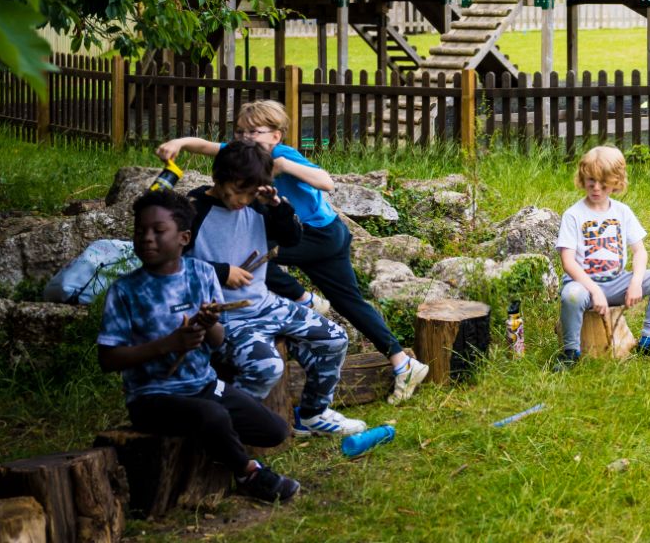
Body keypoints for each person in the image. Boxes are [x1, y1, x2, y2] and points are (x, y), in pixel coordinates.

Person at [156, 101, 429, 404]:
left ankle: (305, 300)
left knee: (250, 258)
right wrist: (179, 143)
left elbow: (327, 182)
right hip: (328, 231)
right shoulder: (244, 154)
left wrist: (283, 166)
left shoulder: (281, 154)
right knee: (349, 302)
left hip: (316, 234)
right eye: (240, 132)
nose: (245, 138)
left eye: (254, 132)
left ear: (276, 136)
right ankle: (402, 362)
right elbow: (206, 146)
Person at [99, 189, 300, 504]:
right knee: (213, 416)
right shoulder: (125, 290)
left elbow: (218, 341)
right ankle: (249, 475)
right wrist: (169, 344)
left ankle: (212, 440)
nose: (147, 238)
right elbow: (108, 359)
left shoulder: (202, 273)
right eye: (140, 231)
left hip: (203, 385)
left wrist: (207, 325)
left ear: (184, 238)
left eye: (158, 231)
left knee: (274, 429)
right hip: (152, 397)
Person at [189, 141, 363, 437]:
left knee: (334, 338)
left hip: (264, 303)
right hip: (223, 315)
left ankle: (314, 413)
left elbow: (292, 238)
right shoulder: (193, 209)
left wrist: (278, 207)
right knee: (267, 367)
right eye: (238, 191)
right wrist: (221, 271)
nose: (243, 200)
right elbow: (171, 266)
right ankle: (225, 427)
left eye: (250, 193)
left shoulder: (258, 204)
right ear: (218, 176)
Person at [553, 146, 650, 370]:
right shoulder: (573, 215)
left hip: (617, 282)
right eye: (591, 180)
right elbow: (568, 262)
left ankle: (649, 340)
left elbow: (640, 251)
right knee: (571, 296)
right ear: (582, 178)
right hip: (584, 286)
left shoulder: (622, 212)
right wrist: (594, 290)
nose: (596, 188)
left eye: (604, 183)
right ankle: (570, 352)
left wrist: (636, 282)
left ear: (616, 182)